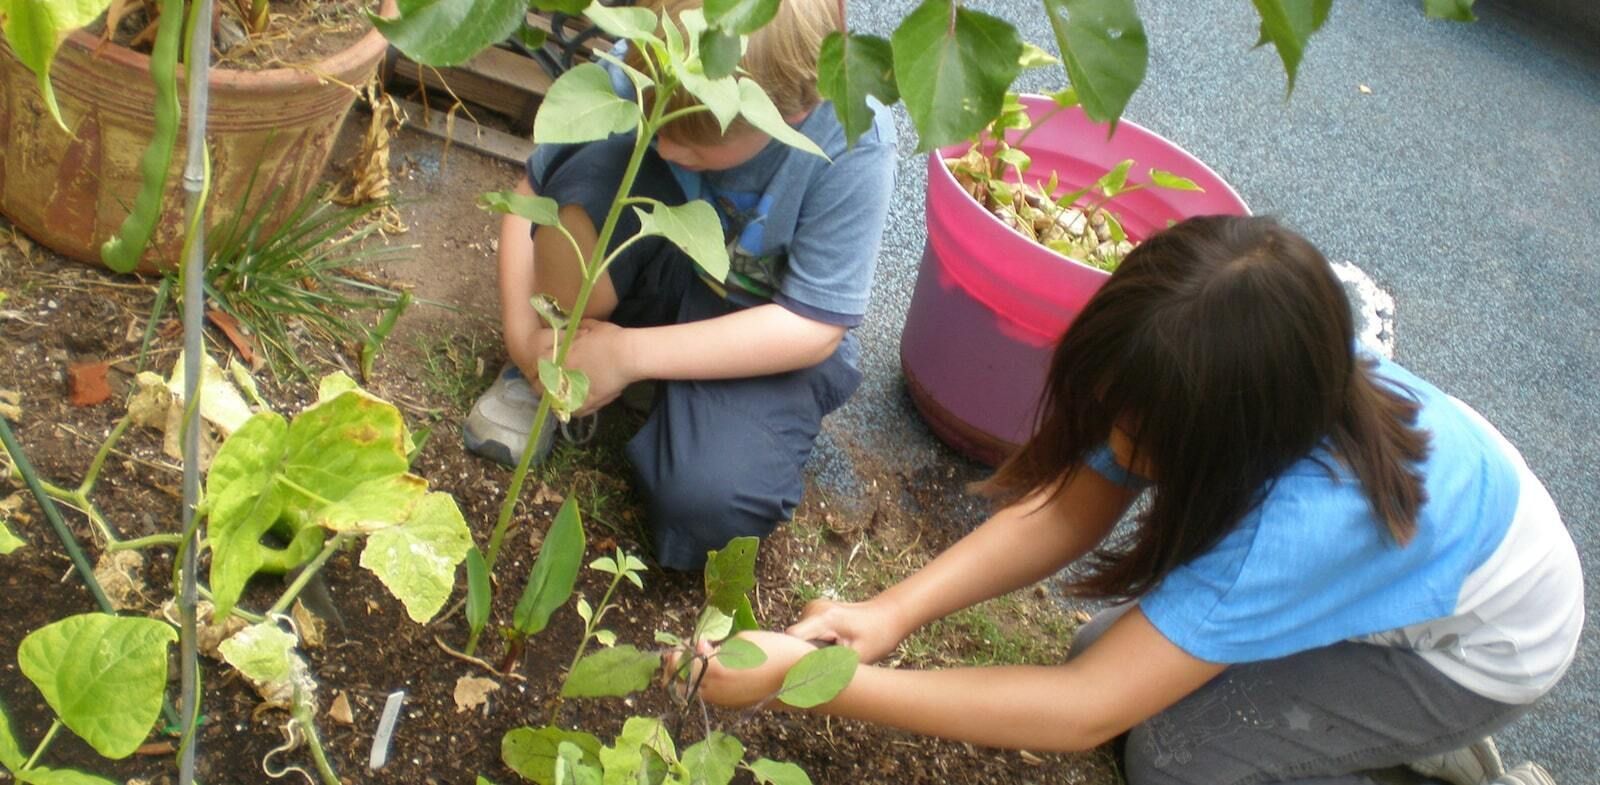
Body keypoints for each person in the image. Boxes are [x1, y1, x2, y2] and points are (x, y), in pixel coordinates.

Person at [690, 216, 1583, 785]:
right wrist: (886, 613)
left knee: (1175, 757)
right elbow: (1073, 509)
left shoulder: (1291, 527)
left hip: (1479, 649)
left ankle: (1428, 752)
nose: (1116, 451)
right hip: (1433, 554)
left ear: (1234, 439)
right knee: (1103, 650)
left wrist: (821, 685)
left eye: (1141, 441)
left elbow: (1083, 713)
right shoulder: (1226, 362)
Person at [464, 0, 896, 570]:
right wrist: (524, 344)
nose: (666, 146)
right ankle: (557, 356)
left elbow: (813, 325)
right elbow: (531, 195)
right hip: (662, 260)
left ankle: (633, 372)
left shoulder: (853, 135)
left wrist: (629, 354)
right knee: (594, 177)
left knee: (710, 504)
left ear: (789, 114)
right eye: (657, 113)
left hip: (755, 322)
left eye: (695, 142)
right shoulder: (652, 60)